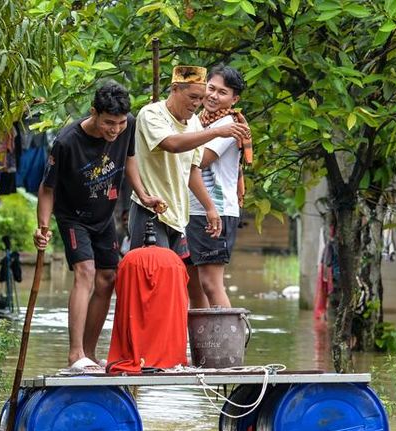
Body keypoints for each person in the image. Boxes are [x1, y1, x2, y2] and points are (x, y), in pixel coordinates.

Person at [34, 81, 152, 372]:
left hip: (104, 216)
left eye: (121, 123)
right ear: (94, 113)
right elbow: (47, 189)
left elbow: (130, 161)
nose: (115, 130)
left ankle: (88, 353)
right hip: (73, 216)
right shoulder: (66, 141)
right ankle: (75, 354)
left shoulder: (129, 127)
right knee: (86, 272)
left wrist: (144, 194)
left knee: (108, 278)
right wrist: (42, 226)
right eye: (109, 123)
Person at [128, 65, 251, 259]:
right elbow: (172, 144)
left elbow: (193, 170)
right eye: (193, 97)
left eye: (200, 98)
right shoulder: (151, 114)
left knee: (175, 281)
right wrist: (216, 131)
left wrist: (210, 208)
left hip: (178, 215)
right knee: (153, 274)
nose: (197, 104)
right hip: (151, 209)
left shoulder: (194, 123)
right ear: (175, 89)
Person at [186, 65, 250, 308]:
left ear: (234, 99)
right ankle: (203, 345)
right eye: (210, 88)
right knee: (193, 286)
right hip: (191, 211)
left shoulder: (229, 125)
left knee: (211, 284)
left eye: (222, 92)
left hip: (215, 211)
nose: (213, 96)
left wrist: (174, 143)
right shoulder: (197, 121)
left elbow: (200, 160)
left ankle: (228, 345)